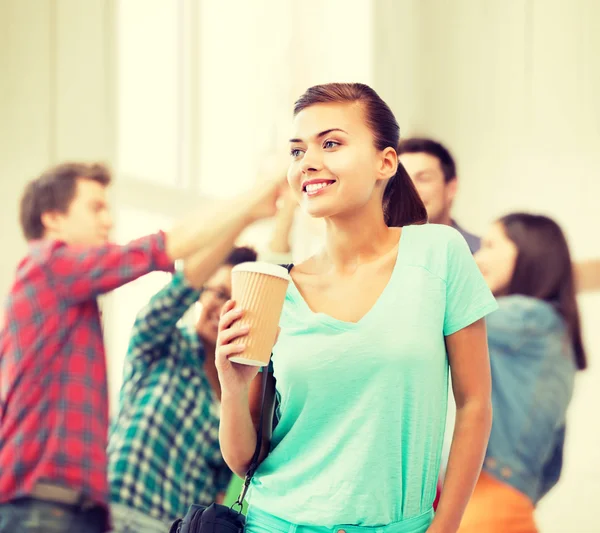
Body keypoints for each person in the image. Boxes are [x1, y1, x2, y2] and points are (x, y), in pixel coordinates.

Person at [216, 83, 499, 533]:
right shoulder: (279, 289)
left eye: (331, 143)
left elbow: (476, 403)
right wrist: (232, 387)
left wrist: (444, 528)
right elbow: (243, 459)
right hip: (275, 522)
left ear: (385, 162)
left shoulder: (439, 255)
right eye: (296, 151)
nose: (307, 161)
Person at [0, 162, 281, 533]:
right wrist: (253, 202)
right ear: (52, 218)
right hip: (52, 508)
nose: (108, 221)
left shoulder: (237, 386)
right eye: (95, 208)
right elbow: (162, 251)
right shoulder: (47, 265)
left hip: (100, 514)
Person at [107, 246, 258, 532]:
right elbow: (162, 306)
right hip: (116, 513)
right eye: (220, 293)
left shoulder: (238, 393)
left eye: (238, 304)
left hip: (173, 527)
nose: (226, 309)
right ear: (201, 292)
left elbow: (223, 484)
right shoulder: (162, 345)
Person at [457, 213, 587, 533]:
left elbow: (445, 315)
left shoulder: (527, 318)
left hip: (487, 502)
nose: (478, 257)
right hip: (511, 505)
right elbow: (552, 464)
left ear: (528, 253)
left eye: (489, 245)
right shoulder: (554, 331)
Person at [397, 137, 480, 254]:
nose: (410, 189)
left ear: (451, 188)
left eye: (423, 179)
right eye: (402, 180)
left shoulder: (481, 255)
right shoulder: (372, 258)